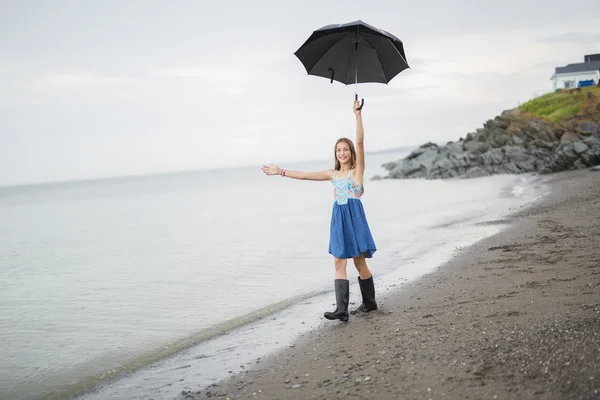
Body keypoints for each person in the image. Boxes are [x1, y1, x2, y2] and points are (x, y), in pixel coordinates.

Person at [261, 100, 378, 322]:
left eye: (345, 149)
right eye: (338, 150)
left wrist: (358, 115)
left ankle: (369, 304)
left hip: (355, 218)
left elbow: (361, 142)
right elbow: (305, 175)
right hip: (338, 219)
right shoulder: (331, 174)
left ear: (351, 152)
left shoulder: (357, 171)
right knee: (338, 261)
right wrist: (280, 171)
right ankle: (341, 309)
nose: (342, 153)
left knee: (359, 262)